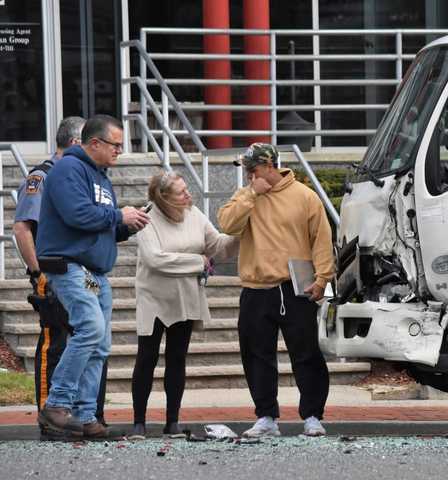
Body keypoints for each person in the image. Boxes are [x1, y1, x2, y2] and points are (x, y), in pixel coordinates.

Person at [35, 114, 151, 438]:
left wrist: (125, 225)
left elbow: (98, 227)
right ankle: (57, 405)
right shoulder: (67, 170)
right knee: (90, 327)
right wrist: (118, 214)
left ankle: (86, 416)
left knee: (100, 342)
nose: (119, 152)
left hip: (91, 271)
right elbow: (77, 215)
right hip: (69, 265)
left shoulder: (101, 177)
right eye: (115, 145)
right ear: (95, 143)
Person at [218, 143, 334, 438]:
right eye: (246, 169)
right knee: (256, 355)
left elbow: (321, 239)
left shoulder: (304, 197)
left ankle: (312, 415)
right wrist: (251, 194)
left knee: (306, 353)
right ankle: (266, 416)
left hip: (296, 287)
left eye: (252, 169)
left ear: (269, 166)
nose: (248, 174)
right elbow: (227, 224)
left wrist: (323, 279)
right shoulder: (246, 196)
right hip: (256, 287)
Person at [14, 117, 111, 431]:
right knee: (54, 344)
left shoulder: (88, 176)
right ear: (77, 143)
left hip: (82, 268)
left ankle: (83, 414)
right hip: (56, 268)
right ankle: (50, 413)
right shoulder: (44, 176)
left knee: (90, 340)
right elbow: (23, 228)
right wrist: (37, 273)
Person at [128, 171, 238, 440]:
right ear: (164, 198)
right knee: (147, 358)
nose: (188, 194)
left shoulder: (195, 214)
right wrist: (198, 262)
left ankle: (172, 422)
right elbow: (155, 260)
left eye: (187, 189)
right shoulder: (146, 217)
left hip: (186, 296)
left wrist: (243, 232)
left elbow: (218, 247)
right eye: (181, 192)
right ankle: (138, 423)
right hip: (153, 297)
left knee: (177, 359)